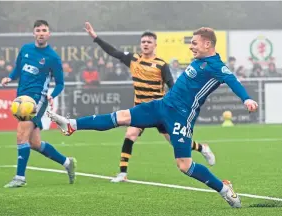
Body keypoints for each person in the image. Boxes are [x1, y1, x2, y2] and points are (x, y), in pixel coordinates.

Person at [48, 27, 258, 208]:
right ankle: (72, 124)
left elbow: (233, 81)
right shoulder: (198, 60)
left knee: (184, 165)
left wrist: (246, 99)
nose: (191, 47)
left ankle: (223, 188)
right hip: (161, 105)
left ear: (208, 44)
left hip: (181, 117)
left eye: (194, 43)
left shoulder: (216, 66)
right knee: (121, 117)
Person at [83, 22, 215, 182]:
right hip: (141, 109)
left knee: (174, 141)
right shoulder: (133, 59)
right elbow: (113, 52)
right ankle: (123, 173)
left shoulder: (161, 64)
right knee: (130, 134)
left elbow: (172, 86)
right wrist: (95, 37)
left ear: (155, 45)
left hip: (161, 111)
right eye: (143, 42)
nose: (146, 44)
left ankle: (202, 148)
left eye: (149, 42)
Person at [1, 20, 77, 188]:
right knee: (34, 143)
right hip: (21, 97)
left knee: (21, 134)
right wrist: (9, 77)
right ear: (33, 33)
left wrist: (52, 95)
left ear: (49, 34)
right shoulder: (25, 49)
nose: (41, 33)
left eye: (44, 30)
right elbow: (17, 69)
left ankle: (20, 178)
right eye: (38, 30)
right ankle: (67, 162)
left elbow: (60, 83)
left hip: (37, 99)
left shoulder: (53, 57)